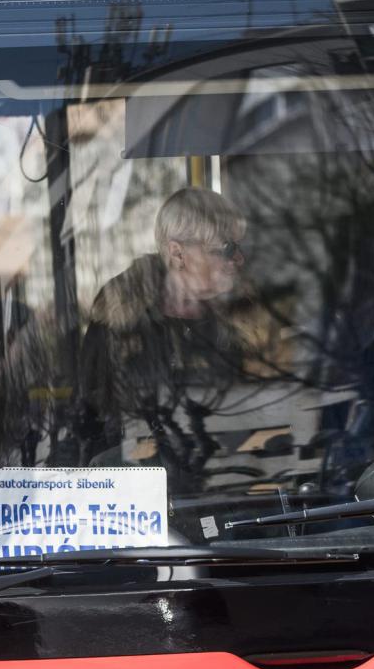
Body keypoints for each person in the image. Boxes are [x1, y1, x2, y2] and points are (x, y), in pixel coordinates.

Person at [78, 187, 284, 483]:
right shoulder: (119, 318)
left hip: (232, 480)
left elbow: (269, 407)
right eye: (226, 248)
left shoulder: (246, 317)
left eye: (239, 247)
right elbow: (92, 417)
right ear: (177, 254)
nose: (238, 259)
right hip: (140, 488)